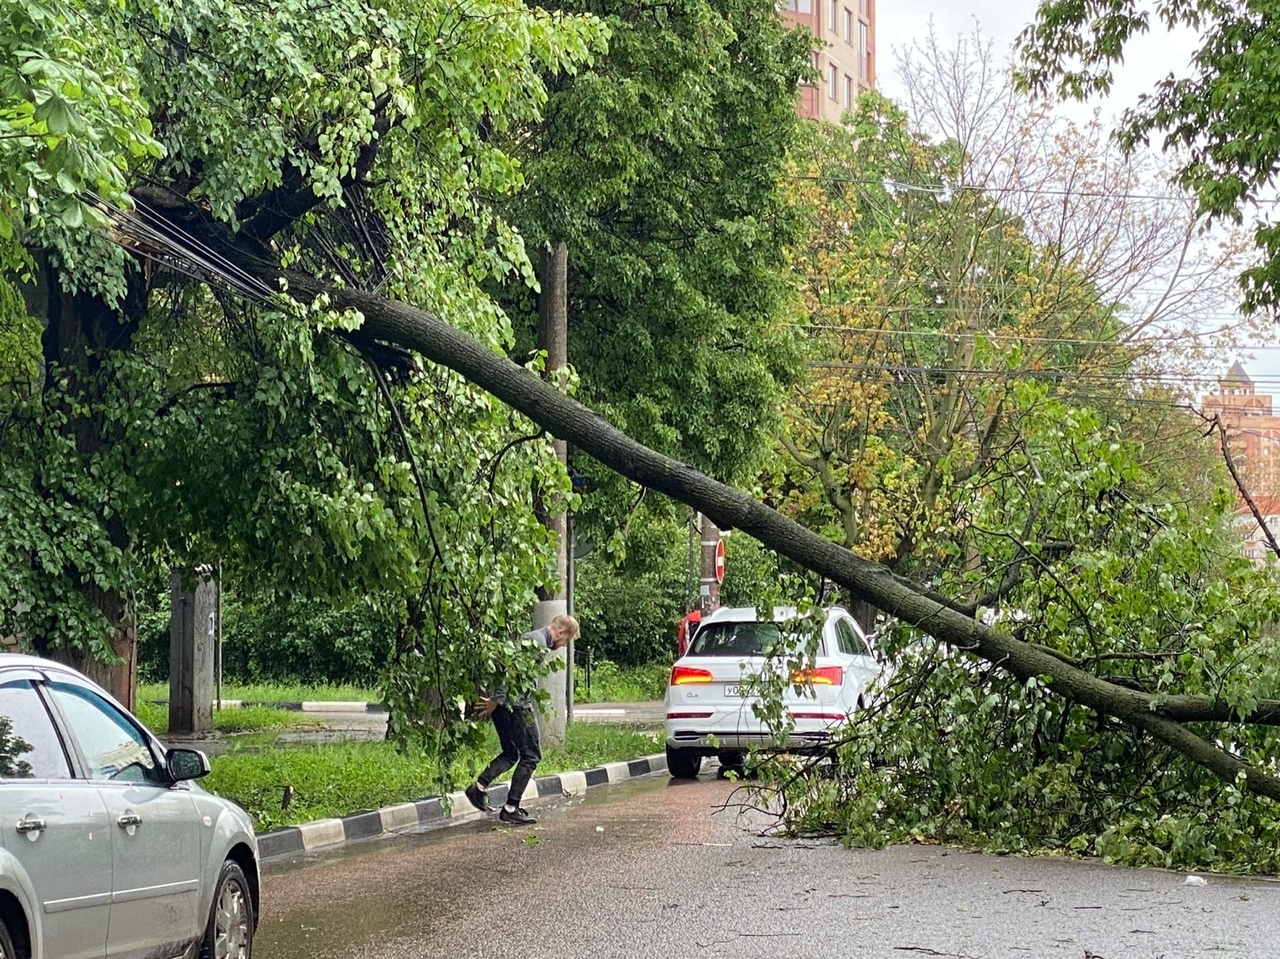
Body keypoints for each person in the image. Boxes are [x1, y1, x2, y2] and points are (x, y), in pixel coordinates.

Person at [465, 614, 579, 826]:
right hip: (516, 707)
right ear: (561, 632)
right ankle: (511, 808)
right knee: (531, 755)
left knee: (511, 754)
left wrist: (497, 701)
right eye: (566, 641)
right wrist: (497, 700)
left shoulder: (534, 639)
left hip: (505, 706)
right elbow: (509, 670)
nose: (563, 646)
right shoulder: (536, 642)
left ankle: (478, 788)